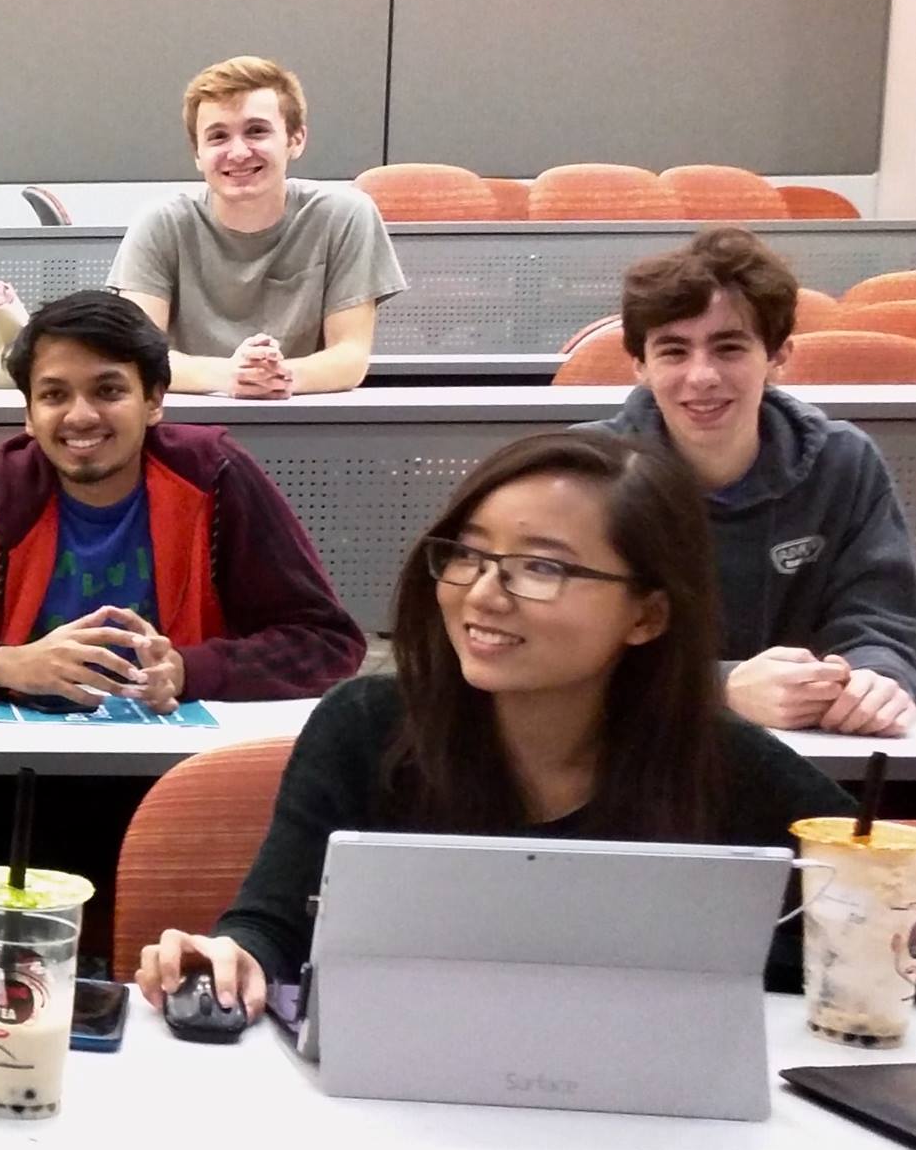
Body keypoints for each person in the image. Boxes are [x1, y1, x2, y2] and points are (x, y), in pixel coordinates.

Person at [139, 432, 851, 1014]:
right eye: (468, 554)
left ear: (648, 614)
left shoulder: (727, 767)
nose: (483, 594)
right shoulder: (365, 728)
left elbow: (865, 920)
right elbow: (270, 927)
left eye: (540, 568)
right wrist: (231, 956)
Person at [0, 290, 364, 706]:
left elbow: (326, 641)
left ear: (154, 400)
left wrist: (188, 670)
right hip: (17, 773)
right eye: (54, 395)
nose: (81, 416)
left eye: (108, 391)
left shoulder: (215, 478)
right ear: (28, 413)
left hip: (178, 761)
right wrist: (5, 665)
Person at [584, 227, 915, 739]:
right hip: (629, 750)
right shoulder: (583, 472)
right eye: (674, 352)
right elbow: (561, 653)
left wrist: (874, 677)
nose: (702, 376)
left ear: (778, 357)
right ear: (640, 366)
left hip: (815, 752)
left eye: (729, 349)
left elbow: (881, 616)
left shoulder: (844, 462)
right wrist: (718, 688)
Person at [107, 56, 405, 399]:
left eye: (256, 131)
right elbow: (138, 358)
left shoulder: (346, 216)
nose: (237, 153)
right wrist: (230, 376)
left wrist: (281, 377)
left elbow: (349, 357)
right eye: (218, 136)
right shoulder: (160, 223)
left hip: (306, 421)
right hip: (188, 421)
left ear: (296, 139)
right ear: (198, 154)